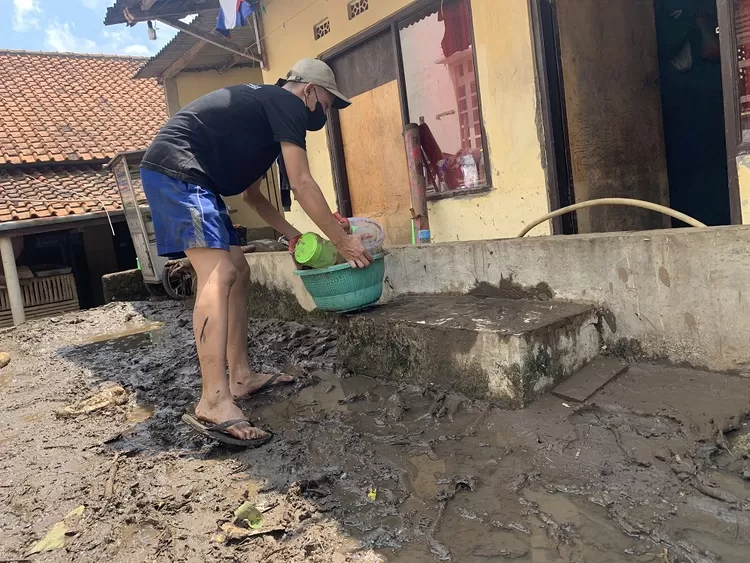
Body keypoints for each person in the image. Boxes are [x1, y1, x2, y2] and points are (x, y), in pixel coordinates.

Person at [139, 59, 372, 447]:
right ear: (310, 91)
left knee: (239, 271)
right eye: (329, 104)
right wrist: (342, 241)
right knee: (219, 274)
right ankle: (213, 400)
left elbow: (254, 198)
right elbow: (301, 182)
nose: (325, 114)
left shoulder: (266, 121)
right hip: (178, 171)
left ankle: (241, 377)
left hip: (198, 180)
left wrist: (295, 236)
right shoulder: (287, 104)